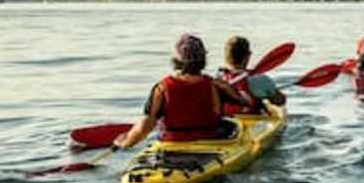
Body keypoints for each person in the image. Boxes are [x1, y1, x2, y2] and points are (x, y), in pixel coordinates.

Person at [114, 34, 253, 148]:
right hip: (210, 140)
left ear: (176, 60)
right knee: (233, 125)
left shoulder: (161, 88)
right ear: (203, 59)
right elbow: (246, 102)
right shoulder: (216, 85)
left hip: (172, 142)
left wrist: (125, 142)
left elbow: (144, 128)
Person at [219, 36, 287, 115]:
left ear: (225, 56)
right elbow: (280, 101)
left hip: (227, 121)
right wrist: (270, 94)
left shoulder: (218, 78)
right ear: (248, 56)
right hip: (253, 120)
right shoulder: (259, 79)